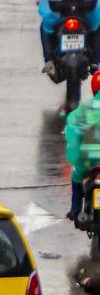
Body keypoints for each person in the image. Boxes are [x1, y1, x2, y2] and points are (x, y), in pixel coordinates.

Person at [64, 73, 100, 217]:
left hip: (88, 159)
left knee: (76, 176)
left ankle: (75, 209)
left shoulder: (86, 106)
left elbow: (74, 126)